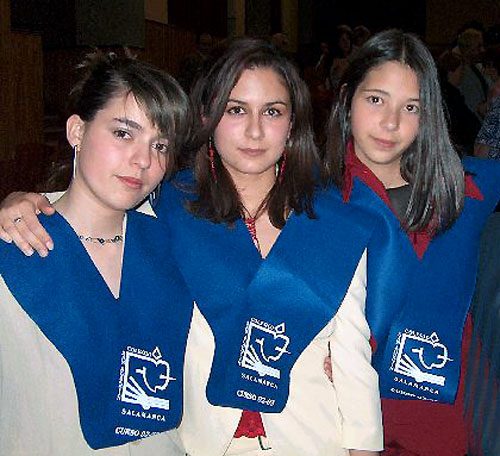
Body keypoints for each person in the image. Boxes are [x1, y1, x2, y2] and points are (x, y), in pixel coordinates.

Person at [0, 38, 383, 456]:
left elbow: (352, 358)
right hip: (199, 442)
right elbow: (97, 200)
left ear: (292, 124)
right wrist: (24, 202)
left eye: (272, 111)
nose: (254, 130)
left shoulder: (330, 224)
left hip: (310, 439)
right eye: (236, 110)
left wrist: (362, 446)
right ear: (209, 117)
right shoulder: (169, 209)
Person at [0, 51, 194, 455]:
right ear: (76, 131)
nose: (143, 160)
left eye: (160, 145)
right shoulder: (14, 245)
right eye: (124, 133)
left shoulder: (174, 247)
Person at [324, 29, 500, 455]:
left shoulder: (466, 190)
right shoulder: (316, 201)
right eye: (376, 100)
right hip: (343, 421)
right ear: (347, 99)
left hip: (442, 420)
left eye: (411, 107)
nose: (390, 122)